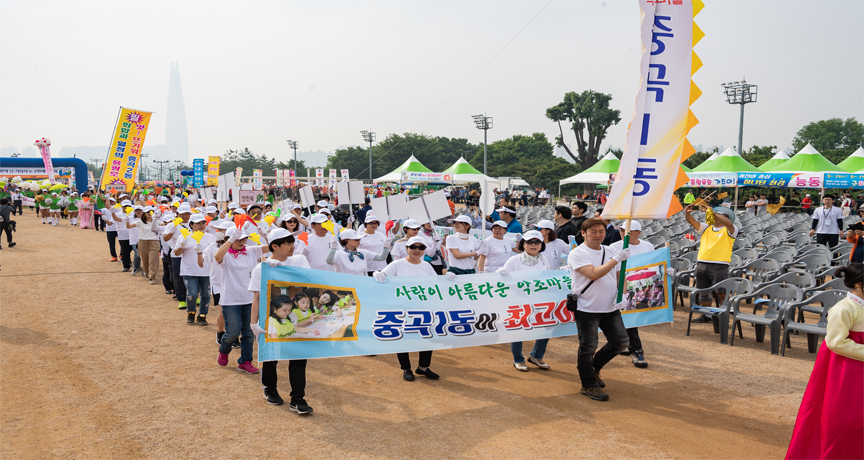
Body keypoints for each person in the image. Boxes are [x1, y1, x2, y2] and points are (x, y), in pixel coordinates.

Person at [785, 264, 863, 460]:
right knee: (844, 417)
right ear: (860, 284)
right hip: (846, 370)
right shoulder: (844, 308)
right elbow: (836, 342)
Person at [248, 228, 315, 413]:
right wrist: (254, 324)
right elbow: (257, 298)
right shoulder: (261, 268)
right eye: (287, 243)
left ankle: (298, 399)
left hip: (295, 317)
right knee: (271, 357)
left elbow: (310, 279)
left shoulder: (299, 260)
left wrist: (285, 271)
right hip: (271, 319)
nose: (293, 246)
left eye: (292, 242)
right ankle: (270, 389)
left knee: (299, 358)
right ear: (274, 246)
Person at [567, 217, 631, 401]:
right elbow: (593, 273)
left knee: (620, 342)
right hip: (587, 307)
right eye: (593, 231)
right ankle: (588, 383)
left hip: (610, 306)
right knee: (588, 346)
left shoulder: (610, 250)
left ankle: (593, 368)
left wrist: (623, 294)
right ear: (584, 233)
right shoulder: (578, 253)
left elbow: (621, 275)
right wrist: (616, 259)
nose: (598, 235)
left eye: (601, 231)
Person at [374, 236, 453, 381]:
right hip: (401, 308)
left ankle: (423, 367)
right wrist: (377, 274)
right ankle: (406, 368)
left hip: (423, 308)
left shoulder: (426, 266)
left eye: (421, 247)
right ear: (406, 248)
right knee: (403, 338)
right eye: (413, 247)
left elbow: (436, 283)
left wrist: (447, 276)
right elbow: (382, 275)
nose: (417, 250)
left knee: (427, 337)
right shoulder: (397, 264)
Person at [215, 226, 269, 374]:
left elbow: (274, 247)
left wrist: (266, 234)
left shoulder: (251, 251)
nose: (241, 241)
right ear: (230, 239)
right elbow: (217, 257)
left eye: (243, 238)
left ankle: (245, 361)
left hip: (250, 299)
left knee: (248, 332)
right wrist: (231, 239)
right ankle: (224, 350)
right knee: (232, 332)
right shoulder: (225, 254)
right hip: (230, 300)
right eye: (237, 239)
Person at [497, 230, 552, 371]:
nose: (533, 245)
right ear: (523, 244)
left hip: (539, 301)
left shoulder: (545, 260)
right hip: (518, 302)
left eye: (537, 242)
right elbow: (500, 279)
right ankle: (518, 359)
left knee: (545, 329)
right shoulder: (514, 260)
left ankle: (536, 356)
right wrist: (500, 274)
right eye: (529, 242)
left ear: (542, 244)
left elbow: (549, 280)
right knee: (518, 330)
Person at [609, 221, 654, 368]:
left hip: (640, 286)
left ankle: (632, 346)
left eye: (627, 231)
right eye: (621, 230)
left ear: (638, 232)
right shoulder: (614, 247)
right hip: (621, 286)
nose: (623, 233)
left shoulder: (647, 246)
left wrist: (664, 271)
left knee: (630, 318)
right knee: (627, 318)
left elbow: (653, 263)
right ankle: (635, 348)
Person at [684, 204, 738, 323]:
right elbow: (692, 220)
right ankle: (706, 315)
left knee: (722, 292)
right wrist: (687, 212)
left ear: (726, 217)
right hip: (702, 263)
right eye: (715, 214)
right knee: (704, 292)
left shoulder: (730, 229)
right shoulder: (707, 227)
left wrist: (713, 212)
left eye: (720, 214)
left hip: (719, 265)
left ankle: (728, 312)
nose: (715, 217)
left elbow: (729, 224)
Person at [174, 214, 217, 325]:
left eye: (203, 223)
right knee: (192, 294)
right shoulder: (184, 236)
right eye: (198, 223)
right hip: (189, 270)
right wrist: (182, 245)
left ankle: (202, 315)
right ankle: (191, 312)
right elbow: (177, 253)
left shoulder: (211, 237)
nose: (201, 225)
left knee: (206, 295)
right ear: (191, 224)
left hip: (206, 271)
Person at [325, 229, 391, 275]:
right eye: (356, 239)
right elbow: (329, 261)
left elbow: (381, 258)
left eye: (359, 239)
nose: (359, 241)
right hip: (346, 287)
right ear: (346, 240)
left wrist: (386, 247)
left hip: (362, 284)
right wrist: (333, 248)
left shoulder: (363, 252)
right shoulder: (339, 254)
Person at [164, 205, 192, 308]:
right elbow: (166, 238)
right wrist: (172, 230)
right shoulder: (172, 225)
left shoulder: (193, 224)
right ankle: (181, 299)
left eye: (187, 214)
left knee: (192, 275)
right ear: (177, 215)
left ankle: (193, 296)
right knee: (178, 277)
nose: (185, 216)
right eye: (182, 214)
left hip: (191, 255)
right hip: (177, 255)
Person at [127, 207, 161, 284]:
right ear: (144, 213)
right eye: (147, 212)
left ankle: (152, 277)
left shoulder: (157, 221)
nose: (149, 213)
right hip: (142, 242)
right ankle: (146, 274)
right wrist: (127, 221)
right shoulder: (139, 222)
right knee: (144, 261)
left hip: (154, 242)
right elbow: (128, 226)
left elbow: (165, 225)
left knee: (153, 260)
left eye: (151, 211)